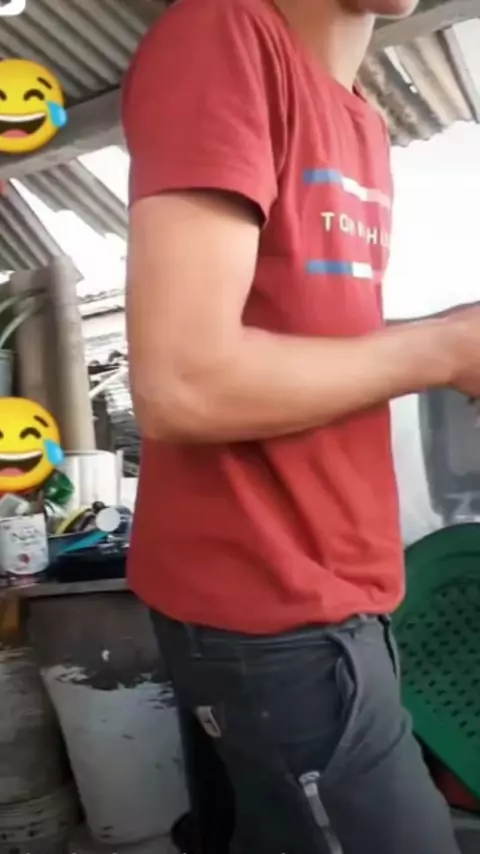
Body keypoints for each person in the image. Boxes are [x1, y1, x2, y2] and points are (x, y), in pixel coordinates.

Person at [122, 0, 478, 850]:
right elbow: (184, 381)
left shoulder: (360, 118)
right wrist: (446, 349)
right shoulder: (225, 34)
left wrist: (453, 334)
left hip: (346, 592)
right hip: (271, 601)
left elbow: (310, 345)